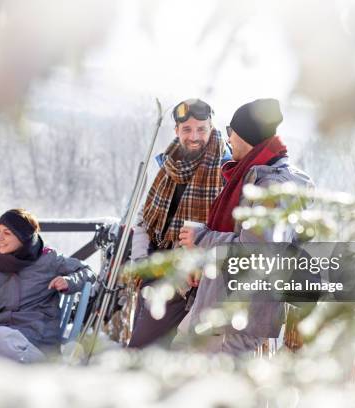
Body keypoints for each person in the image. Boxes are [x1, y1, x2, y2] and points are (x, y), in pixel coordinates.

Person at [178, 98, 315, 354]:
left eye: (232, 131)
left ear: (247, 136)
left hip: (240, 318)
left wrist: (202, 238)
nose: (228, 139)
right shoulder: (251, 174)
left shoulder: (274, 186)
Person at [128, 98, 230, 348]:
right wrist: (141, 262)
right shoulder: (169, 165)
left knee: (141, 351)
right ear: (176, 131)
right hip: (153, 272)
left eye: (201, 129)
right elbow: (144, 219)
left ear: (211, 127)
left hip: (189, 281)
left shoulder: (225, 169)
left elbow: (226, 230)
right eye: (187, 129)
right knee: (146, 350)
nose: (194, 136)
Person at [0, 209, 96, 363]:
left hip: (37, 340)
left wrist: (69, 281)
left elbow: (87, 272)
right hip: (0, 336)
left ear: (24, 237)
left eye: (7, 233)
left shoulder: (48, 259)